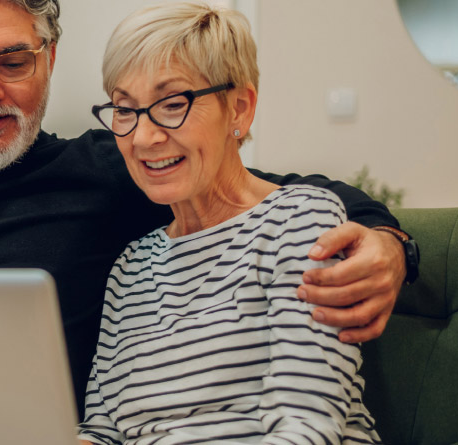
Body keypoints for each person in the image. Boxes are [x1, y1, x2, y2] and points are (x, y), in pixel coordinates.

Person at [0, 0, 414, 415]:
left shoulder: (121, 163)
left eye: (13, 60)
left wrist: (389, 242)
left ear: (49, 59)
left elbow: (270, 192)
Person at [77, 3, 381, 443]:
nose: (144, 137)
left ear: (239, 109)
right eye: (125, 109)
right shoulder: (131, 267)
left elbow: (308, 429)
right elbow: (103, 431)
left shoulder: (298, 222)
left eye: (172, 103)